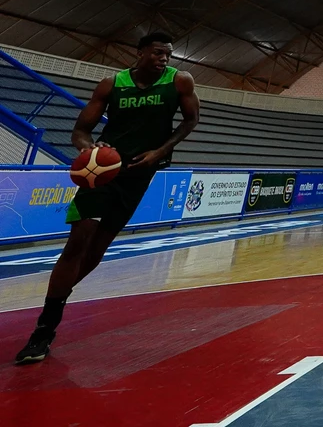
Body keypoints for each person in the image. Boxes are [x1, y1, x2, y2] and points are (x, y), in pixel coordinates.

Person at [15, 32, 200, 365]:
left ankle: (60, 294)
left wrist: (159, 152)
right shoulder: (111, 84)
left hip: (141, 171)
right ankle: (43, 332)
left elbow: (190, 121)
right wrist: (89, 149)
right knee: (78, 240)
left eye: (168, 55)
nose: (164, 59)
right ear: (141, 52)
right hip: (103, 171)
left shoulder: (180, 82)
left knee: (98, 248)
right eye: (158, 53)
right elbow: (80, 131)